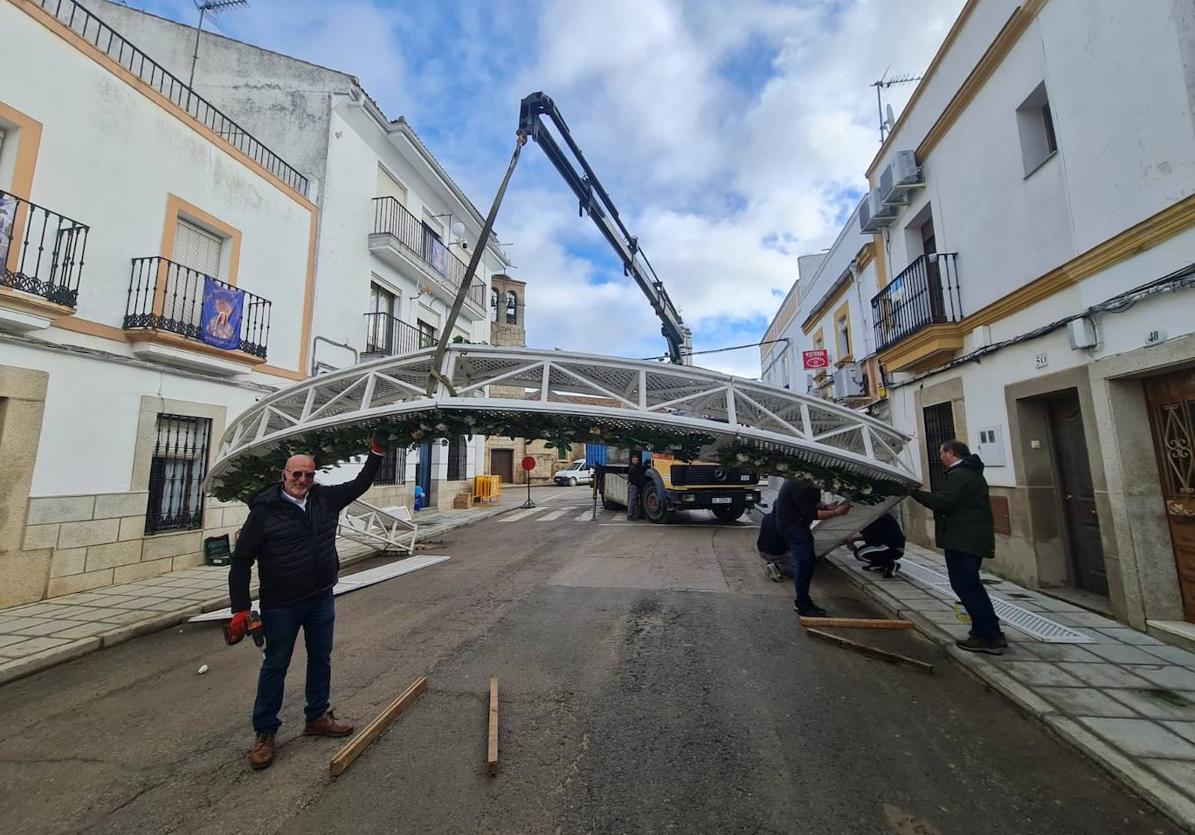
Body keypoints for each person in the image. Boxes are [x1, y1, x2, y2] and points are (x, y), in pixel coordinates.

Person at [228, 433, 387, 769]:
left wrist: (375, 452)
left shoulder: (325, 499)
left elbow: (360, 483)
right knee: (275, 666)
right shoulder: (264, 511)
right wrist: (240, 608)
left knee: (321, 658)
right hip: (281, 604)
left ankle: (317, 716)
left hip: (320, 598)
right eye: (296, 474)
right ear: (284, 475)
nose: (302, 480)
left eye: (309, 474)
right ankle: (265, 732)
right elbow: (241, 560)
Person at [910, 439, 1006, 654]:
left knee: (966, 587)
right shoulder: (970, 473)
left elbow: (943, 502)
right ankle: (991, 631)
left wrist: (914, 493)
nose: (939, 457)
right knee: (973, 586)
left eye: (941, 452)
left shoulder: (959, 475)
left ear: (951, 453)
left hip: (962, 541)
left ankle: (986, 636)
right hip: (970, 539)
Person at [774, 478, 850, 616]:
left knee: (806, 562)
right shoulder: (800, 482)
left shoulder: (808, 480)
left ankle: (804, 603)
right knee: (804, 563)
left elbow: (813, 503)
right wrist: (836, 512)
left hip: (796, 524)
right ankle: (803, 606)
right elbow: (811, 513)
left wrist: (826, 507)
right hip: (793, 526)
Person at [846, 510, 906, 578]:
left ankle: (890, 564)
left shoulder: (877, 517)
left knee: (859, 554)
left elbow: (870, 534)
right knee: (862, 551)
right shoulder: (876, 515)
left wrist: (853, 539)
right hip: (889, 546)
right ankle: (880, 564)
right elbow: (871, 534)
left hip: (891, 547)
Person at [756, 511, 793, 581]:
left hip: (762, 551)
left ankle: (772, 563)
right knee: (802, 569)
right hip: (777, 553)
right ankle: (778, 567)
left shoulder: (767, 516)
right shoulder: (785, 520)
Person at [627, 454, 645, 521]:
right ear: (632, 461)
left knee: (634, 500)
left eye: (637, 460)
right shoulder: (633, 468)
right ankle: (630, 515)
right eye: (635, 460)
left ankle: (635, 514)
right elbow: (635, 478)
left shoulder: (635, 467)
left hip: (634, 485)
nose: (636, 461)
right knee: (632, 500)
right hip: (633, 485)